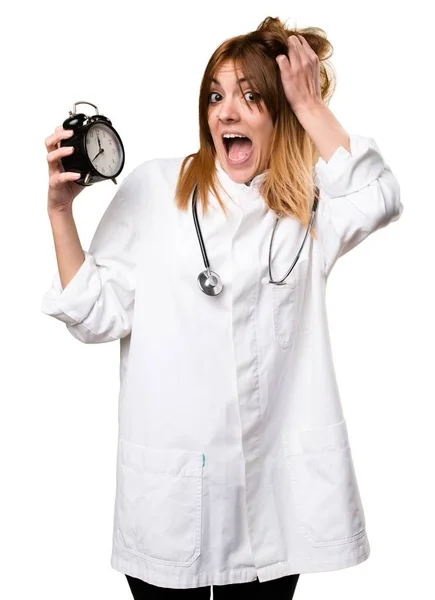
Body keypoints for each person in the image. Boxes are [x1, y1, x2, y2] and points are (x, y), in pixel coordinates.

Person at [42, 16, 403, 600]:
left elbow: (379, 195)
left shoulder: (309, 206)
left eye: (250, 96)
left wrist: (308, 105)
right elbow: (95, 314)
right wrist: (60, 212)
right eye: (215, 96)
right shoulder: (159, 189)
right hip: (173, 495)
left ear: (279, 111)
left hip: (269, 500)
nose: (225, 113)